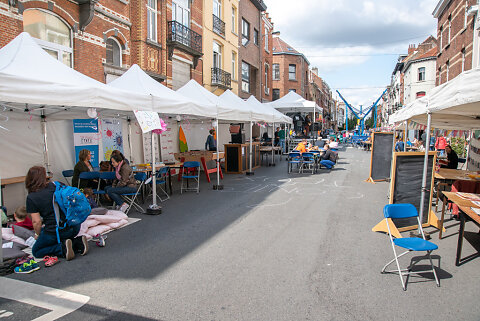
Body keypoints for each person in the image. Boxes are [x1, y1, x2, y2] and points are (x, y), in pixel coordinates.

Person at [27, 166, 88, 261]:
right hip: (74, 225)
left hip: (57, 231)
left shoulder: (31, 197)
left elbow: (37, 222)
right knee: (46, 232)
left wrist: (37, 234)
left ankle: (62, 248)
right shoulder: (57, 185)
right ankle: (77, 242)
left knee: (37, 251)